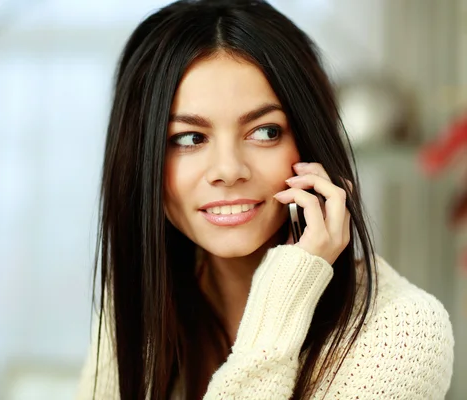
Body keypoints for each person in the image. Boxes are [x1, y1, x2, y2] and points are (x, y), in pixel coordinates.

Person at [76, 0, 454, 398]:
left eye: (266, 132)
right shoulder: (144, 303)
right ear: (141, 159)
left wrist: (284, 297)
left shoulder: (400, 331)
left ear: (310, 142)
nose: (228, 169)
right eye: (189, 138)